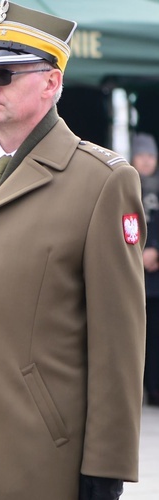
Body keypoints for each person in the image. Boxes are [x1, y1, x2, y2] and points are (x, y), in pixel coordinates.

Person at [0, 2, 146, 499]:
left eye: (4, 73)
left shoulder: (102, 181)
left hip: (37, 457)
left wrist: (106, 467)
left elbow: (118, 343)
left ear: (51, 83)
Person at [132, 132, 159, 406]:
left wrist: (156, 251)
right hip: (134, 272)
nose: (147, 162)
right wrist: (137, 252)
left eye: (151, 156)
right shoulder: (126, 185)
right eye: (142, 156)